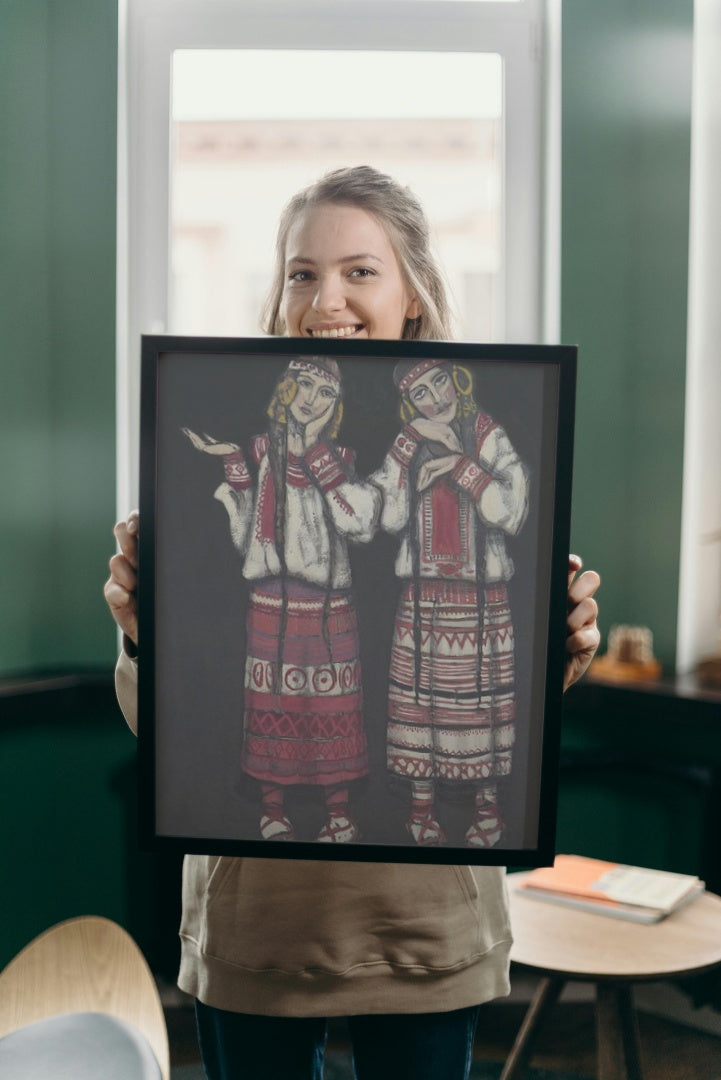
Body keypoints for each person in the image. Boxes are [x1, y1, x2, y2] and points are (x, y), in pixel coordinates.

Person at [105, 166, 601, 1080]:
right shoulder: (225, 424)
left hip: (423, 920)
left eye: (359, 271)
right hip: (258, 921)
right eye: (301, 272)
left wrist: (557, 649)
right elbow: (169, 728)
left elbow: (516, 709)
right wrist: (144, 634)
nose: (324, 297)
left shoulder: (495, 416)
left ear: (412, 290)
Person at [182, 357, 380, 843]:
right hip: (269, 598)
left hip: (329, 605)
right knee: (273, 702)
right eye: (303, 385)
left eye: (324, 393)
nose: (310, 399)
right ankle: (273, 810)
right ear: (286, 387)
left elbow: (360, 523)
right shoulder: (260, 450)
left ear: (335, 405)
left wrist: (316, 457)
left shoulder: (341, 458)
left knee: (332, 710)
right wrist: (232, 461)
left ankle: (338, 815)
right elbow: (248, 530)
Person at [371, 359, 528, 848]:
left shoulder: (488, 435)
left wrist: (463, 468)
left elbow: (513, 511)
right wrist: (403, 452)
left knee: (480, 704)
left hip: (482, 596)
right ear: (409, 403)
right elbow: (390, 517)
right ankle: (422, 810)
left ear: (455, 379)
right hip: (424, 594)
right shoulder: (407, 442)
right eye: (420, 392)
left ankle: (488, 811)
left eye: (438, 381)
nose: (435, 397)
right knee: (421, 703)